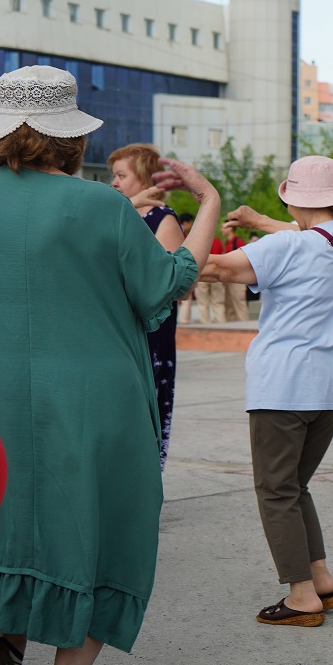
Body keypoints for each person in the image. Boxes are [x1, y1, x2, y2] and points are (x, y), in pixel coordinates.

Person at [0, 65, 220, 665]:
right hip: (95, 400)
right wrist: (208, 203)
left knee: (25, 531)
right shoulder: (101, 205)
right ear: (68, 136)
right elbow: (167, 285)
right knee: (107, 537)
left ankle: (7, 647)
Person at [199, 155, 333, 627]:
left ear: (292, 198)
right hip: (330, 389)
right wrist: (266, 223)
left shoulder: (284, 249)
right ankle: (320, 578)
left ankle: (301, 596)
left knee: (275, 491)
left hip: (283, 386)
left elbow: (214, 269)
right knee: (295, 486)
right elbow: (315, 233)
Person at [107, 143, 188, 470]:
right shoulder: (116, 213)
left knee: (147, 407)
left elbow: (168, 287)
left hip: (148, 333)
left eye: (121, 175)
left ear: (144, 179)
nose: (114, 182)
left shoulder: (161, 219)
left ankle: (145, 483)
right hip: (115, 328)